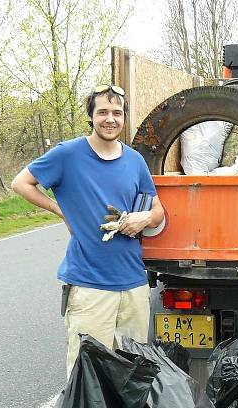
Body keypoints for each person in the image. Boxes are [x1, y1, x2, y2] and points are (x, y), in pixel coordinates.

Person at [11, 84, 165, 377]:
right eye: (103, 112)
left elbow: (158, 211)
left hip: (133, 283)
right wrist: (62, 212)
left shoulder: (135, 161)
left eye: (117, 113)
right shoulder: (67, 154)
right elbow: (21, 183)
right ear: (91, 117)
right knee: (88, 376)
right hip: (90, 285)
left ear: (124, 118)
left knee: (134, 373)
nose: (110, 119)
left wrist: (142, 219)